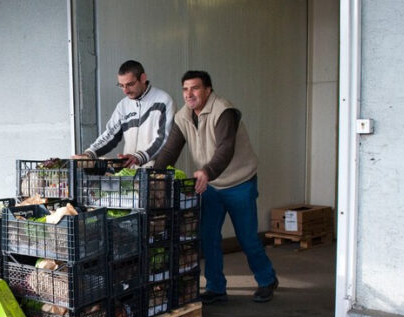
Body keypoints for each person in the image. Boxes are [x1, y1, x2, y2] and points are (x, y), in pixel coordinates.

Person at [154, 70, 278, 303]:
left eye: (195, 88)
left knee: (247, 237)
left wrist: (207, 171)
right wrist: (152, 176)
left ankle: (266, 279)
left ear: (208, 90)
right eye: (185, 89)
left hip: (239, 182)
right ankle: (216, 287)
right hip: (209, 185)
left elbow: (225, 148)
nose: (189, 94)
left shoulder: (224, 111)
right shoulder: (183, 116)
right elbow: (170, 150)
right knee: (207, 236)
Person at [74, 60, 174, 167]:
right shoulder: (123, 105)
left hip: (157, 174)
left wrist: (138, 157)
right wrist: (90, 153)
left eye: (130, 84)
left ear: (143, 78)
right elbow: (110, 134)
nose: (125, 91)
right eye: (121, 85)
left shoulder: (164, 101)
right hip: (129, 175)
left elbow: (163, 139)